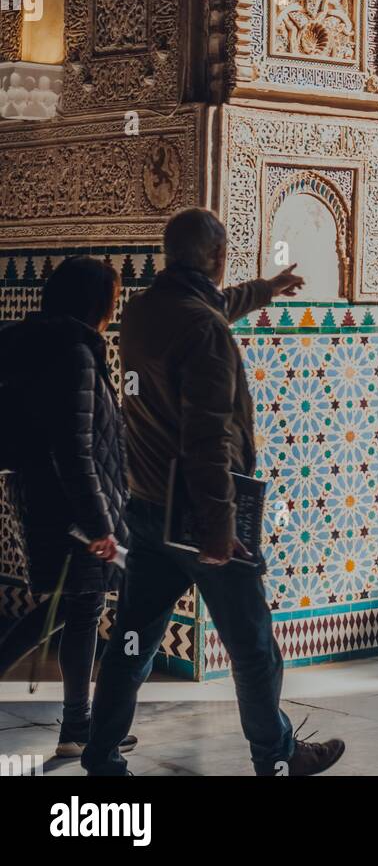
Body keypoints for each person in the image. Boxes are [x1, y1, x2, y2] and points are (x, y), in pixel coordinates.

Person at [81, 208, 346, 777]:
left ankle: (100, 756)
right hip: (202, 519)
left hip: (147, 513)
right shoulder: (204, 329)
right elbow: (208, 439)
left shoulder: (146, 311)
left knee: (133, 641)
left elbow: (210, 306)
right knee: (254, 650)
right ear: (217, 258)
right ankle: (276, 758)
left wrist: (266, 290)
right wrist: (221, 535)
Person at [0, 256, 133, 758]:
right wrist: (101, 524)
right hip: (74, 509)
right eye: (111, 301)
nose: (113, 312)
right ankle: (80, 726)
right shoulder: (74, 353)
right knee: (76, 606)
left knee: (76, 605)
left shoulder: (42, 342)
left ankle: (79, 726)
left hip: (52, 501)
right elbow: (74, 450)